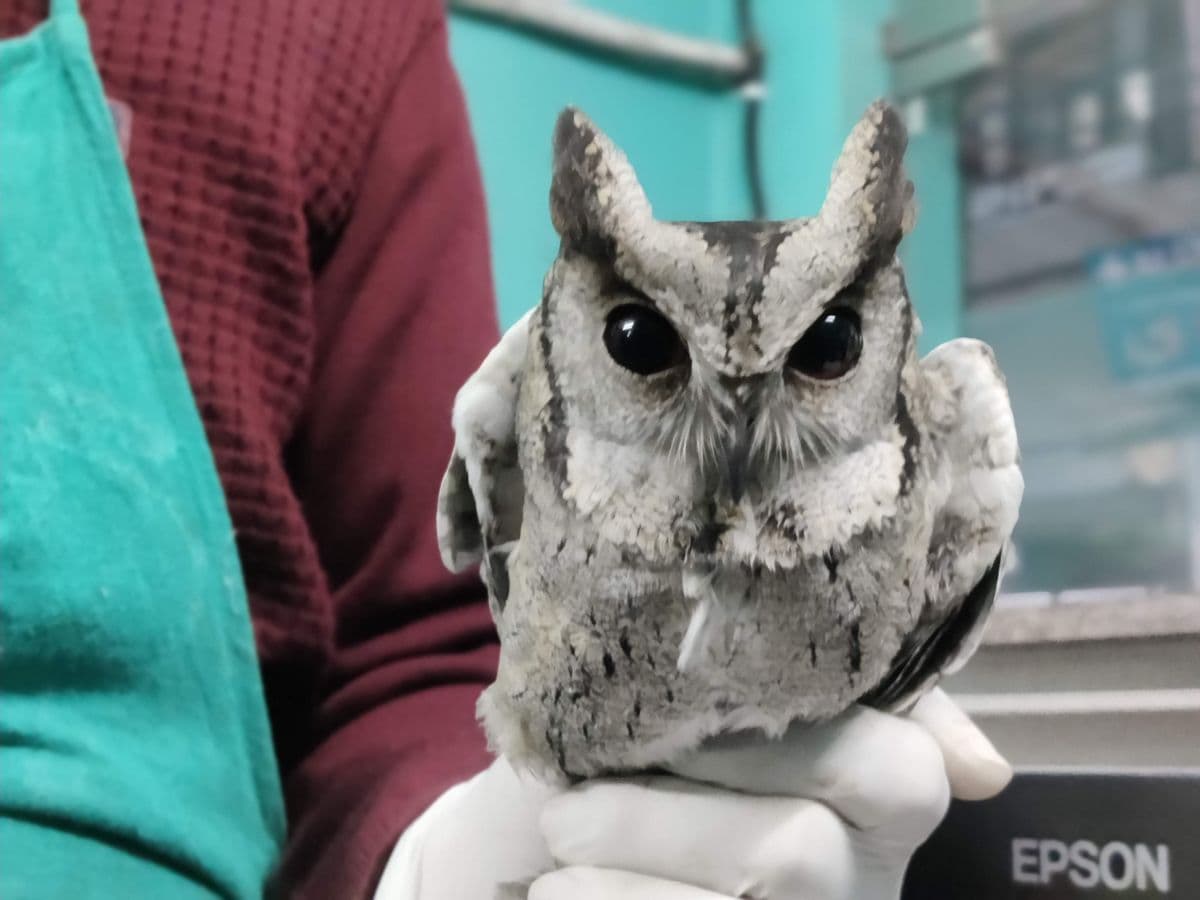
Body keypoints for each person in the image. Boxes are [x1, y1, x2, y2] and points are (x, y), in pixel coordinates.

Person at [0, 0, 1010, 897]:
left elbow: (409, 649)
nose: (739, 431)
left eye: (828, 349)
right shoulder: (515, 412)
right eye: (640, 346)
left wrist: (423, 867)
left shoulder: (323, 26)